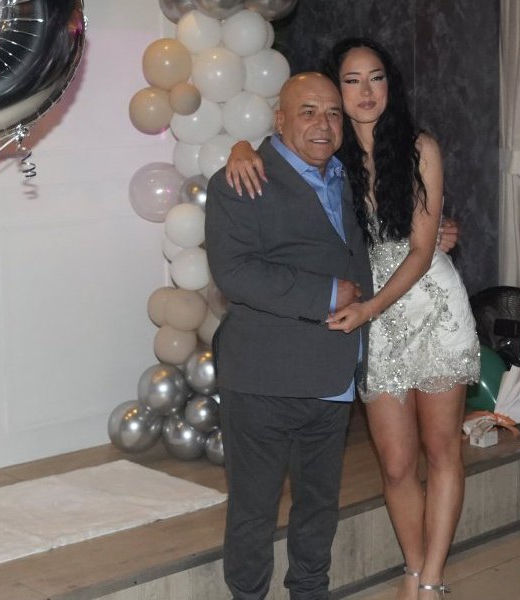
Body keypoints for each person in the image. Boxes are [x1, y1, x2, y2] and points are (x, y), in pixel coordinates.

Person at [226, 38, 480, 600]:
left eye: (376, 78)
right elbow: (282, 154)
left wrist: (371, 306)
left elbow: (422, 249)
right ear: (335, 91)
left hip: (428, 305)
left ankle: (430, 580)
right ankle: (411, 565)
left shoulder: (419, 148)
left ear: (391, 85)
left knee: (442, 452)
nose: (366, 91)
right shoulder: (330, 159)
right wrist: (241, 146)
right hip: (369, 317)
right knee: (395, 464)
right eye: (351, 80)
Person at [205, 72, 373, 600]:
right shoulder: (241, 179)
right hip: (264, 379)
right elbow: (235, 272)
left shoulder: (345, 176)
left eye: (333, 113)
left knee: (319, 506)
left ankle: (310, 591)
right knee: (254, 510)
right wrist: (327, 293)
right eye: (308, 111)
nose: (323, 124)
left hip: (332, 375)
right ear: (279, 120)